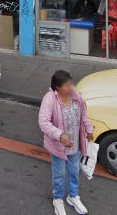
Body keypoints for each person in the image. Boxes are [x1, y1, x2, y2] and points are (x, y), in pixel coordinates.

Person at [38, 70, 94, 215]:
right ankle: (58, 199)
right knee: (59, 175)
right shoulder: (49, 99)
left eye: (71, 83)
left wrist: (89, 130)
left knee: (74, 171)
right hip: (59, 146)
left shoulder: (75, 95)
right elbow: (43, 122)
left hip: (75, 144)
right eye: (67, 85)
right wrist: (60, 135)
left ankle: (73, 196)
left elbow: (84, 115)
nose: (71, 87)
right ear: (57, 87)